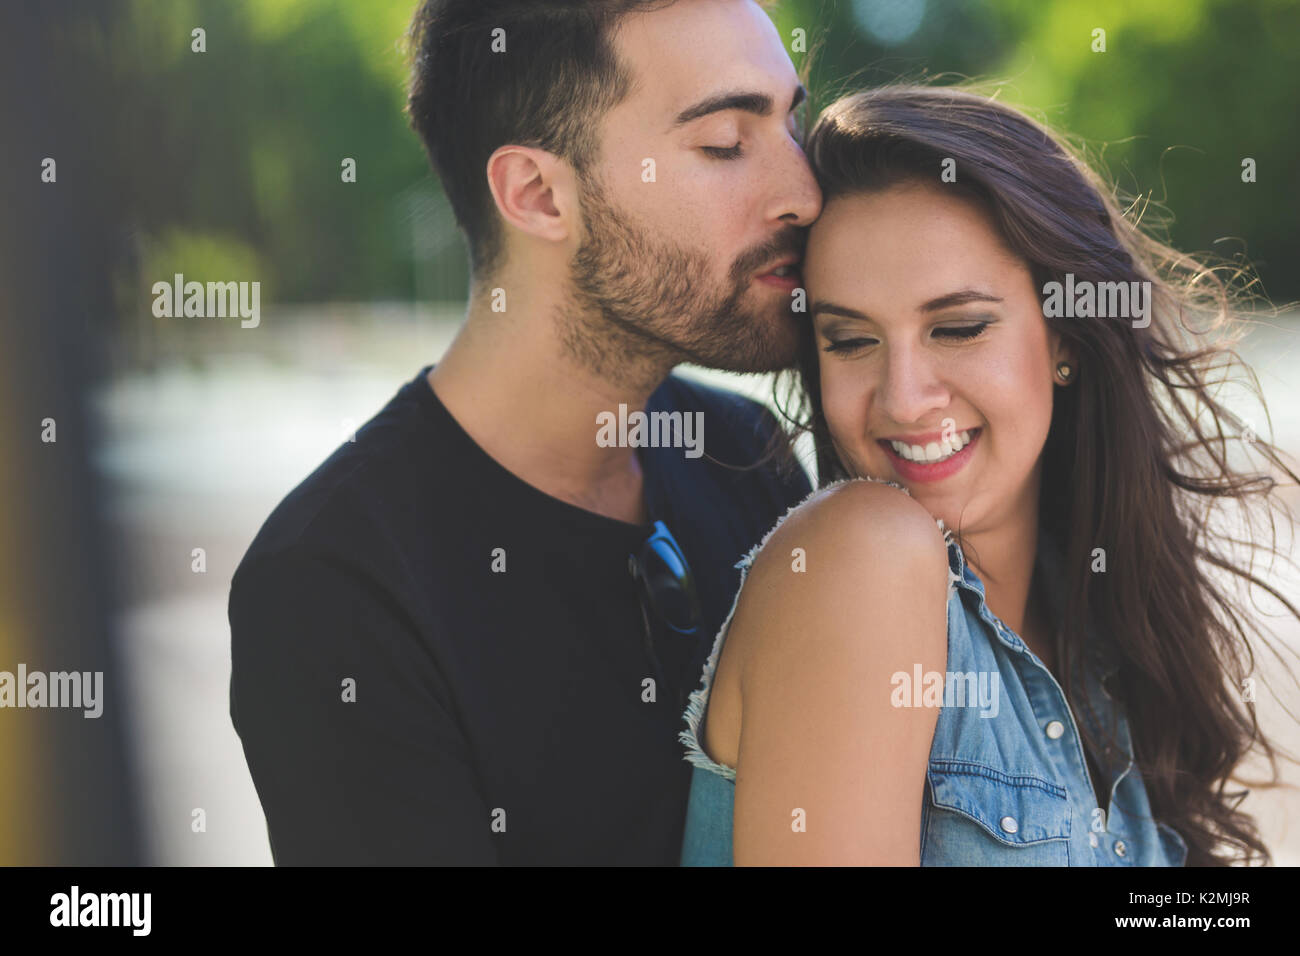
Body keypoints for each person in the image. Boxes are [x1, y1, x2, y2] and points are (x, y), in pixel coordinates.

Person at [228, 0, 823, 865]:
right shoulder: (338, 586)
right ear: (540, 195)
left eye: (789, 124)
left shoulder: (742, 451)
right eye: (726, 143)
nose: (803, 192)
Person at [679, 84, 1300, 866]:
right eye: (849, 340)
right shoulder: (860, 557)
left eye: (959, 327)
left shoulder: (1098, 622)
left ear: (1066, 336)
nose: (904, 399)